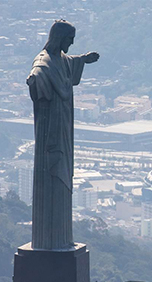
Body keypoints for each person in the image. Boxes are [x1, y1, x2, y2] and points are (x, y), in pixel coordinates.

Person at [27, 20, 99, 250]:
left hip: (63, 125)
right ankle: (49, 241)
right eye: (70, 39)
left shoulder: (60, 59)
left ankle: (61, 239)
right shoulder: (43, 62)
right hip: (51, 131)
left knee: (63, 178)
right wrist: (34, 80)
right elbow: (38, 72)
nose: (72, 43)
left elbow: (67, 62)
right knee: (51, 176)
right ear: (60, 38)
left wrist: (83, 59)